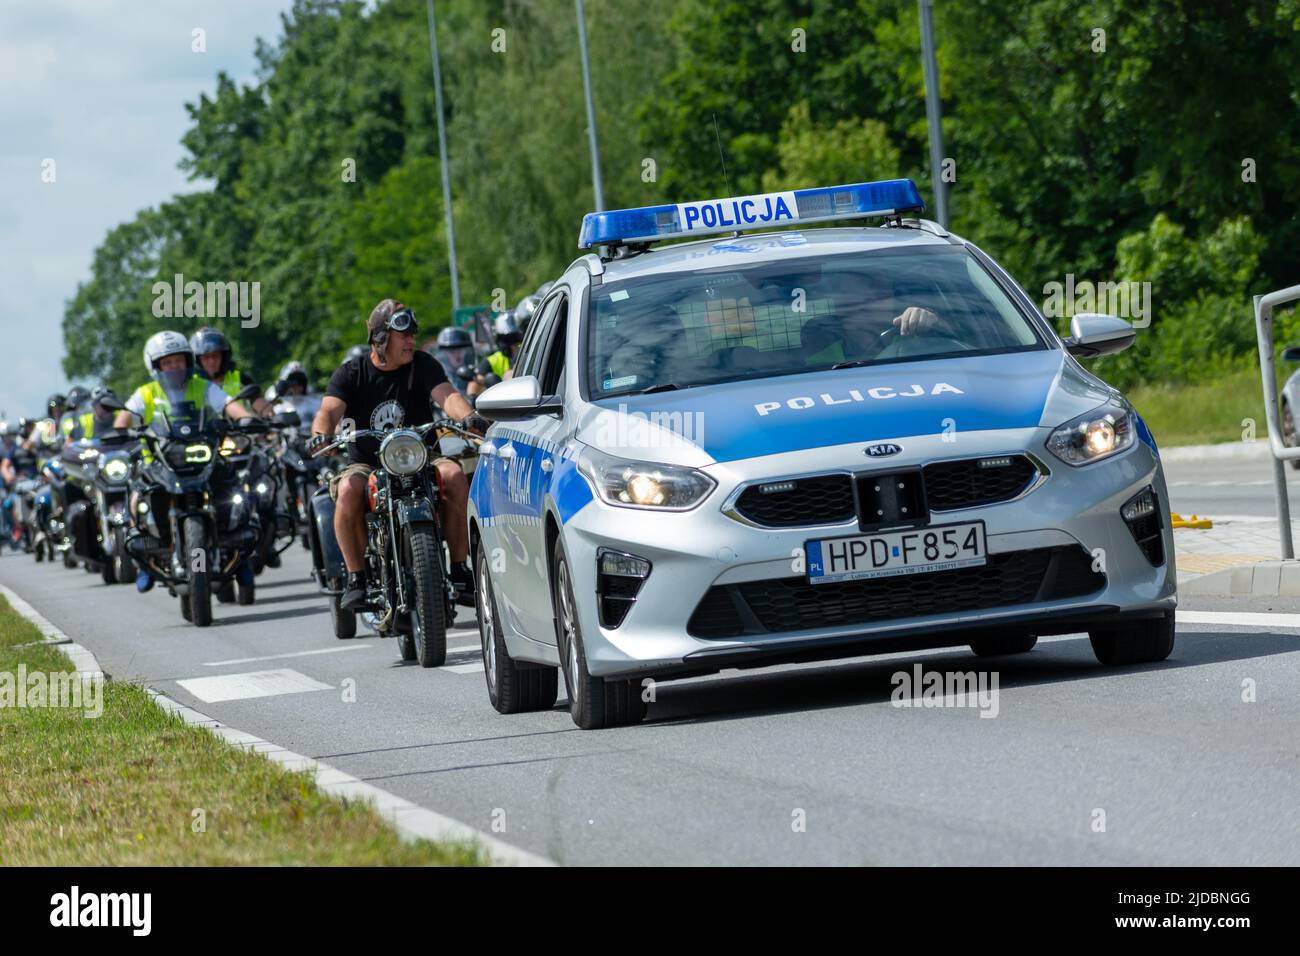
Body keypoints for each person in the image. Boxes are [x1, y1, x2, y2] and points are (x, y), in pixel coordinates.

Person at [310, 299, 489, 610]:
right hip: (367, 463)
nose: (411, 341)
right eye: (402, 335)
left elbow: (448, 396)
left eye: (412, 335)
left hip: (422, 456)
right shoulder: (352, 373)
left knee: (455, 475)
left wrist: (469, 418)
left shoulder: (424, 364)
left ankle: (459, 569)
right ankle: (357, 578)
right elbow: (328, 410)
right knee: (348, 489)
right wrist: (318, 436)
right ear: (380, 339)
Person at [114, 330, 256, 591]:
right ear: (155, 366)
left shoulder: (202, 385)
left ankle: (241, 557)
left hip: (203, 456)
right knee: (137, 493)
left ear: (188, 361)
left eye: (178, 360)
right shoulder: (145, 393)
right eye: (167, 362)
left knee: (235, 487)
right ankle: (145, 561)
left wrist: (244, 417)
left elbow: (227, 404)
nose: (173, 366)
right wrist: (122, 429)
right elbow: (123, 419)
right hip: (159, 462)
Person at [799, 270, 951, 367]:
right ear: (839, 308)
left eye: (885, 293)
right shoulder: (822, 350)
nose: (879, 304)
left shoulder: (913, 335)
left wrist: (930, 321)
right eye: (856, 304)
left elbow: (960, 341)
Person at [190, 326, 273, 416]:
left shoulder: (241, 379)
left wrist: (270, 415)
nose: (211, 361)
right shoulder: (191, 384)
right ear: (197, 360)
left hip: (240, 428)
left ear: (224, 356)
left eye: (215, 355)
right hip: (202, 430)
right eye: (206, 357)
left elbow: (258, 402)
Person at [431, 327, 475, 397]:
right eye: (451, 350)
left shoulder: (477, 374)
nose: (456, 354)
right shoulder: (435, 378)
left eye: (460, 349)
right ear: (443, 353)